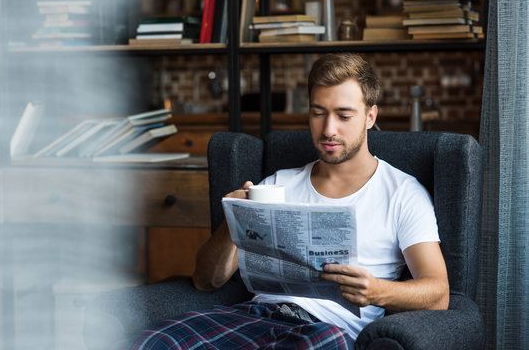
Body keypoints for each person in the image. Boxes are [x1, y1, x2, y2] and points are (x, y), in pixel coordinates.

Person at [129, 53, 449, 350]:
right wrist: (233, 222)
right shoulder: (278, 184)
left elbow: (439, 293)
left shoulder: (403, 193)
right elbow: (205, 281)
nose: (328, 129)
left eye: (343, 115)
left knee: (319, 341)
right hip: (254, 317)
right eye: (318, 113)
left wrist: (378, 291)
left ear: (370, 115)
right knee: (153, 340)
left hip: (326, 330)